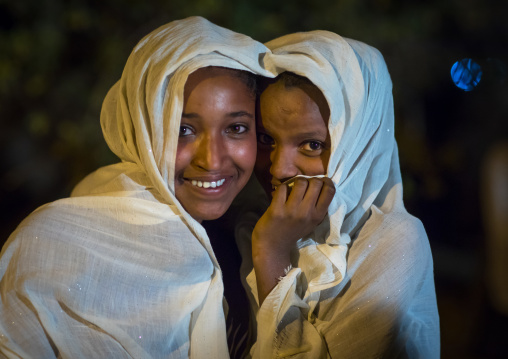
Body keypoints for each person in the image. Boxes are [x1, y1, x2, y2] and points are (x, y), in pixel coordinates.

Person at [0, 17, 274, 358]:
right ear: (141, 129)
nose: (212, 159)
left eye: (235, 128)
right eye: (182, 129)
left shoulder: (241, 239)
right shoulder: (53, 244)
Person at [232, 31, 440, 358]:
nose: (279, 169)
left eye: (312, 145)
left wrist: (272, 254)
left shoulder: (393, 241)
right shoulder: (248, 221)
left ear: (357, 145)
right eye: (265, 139)